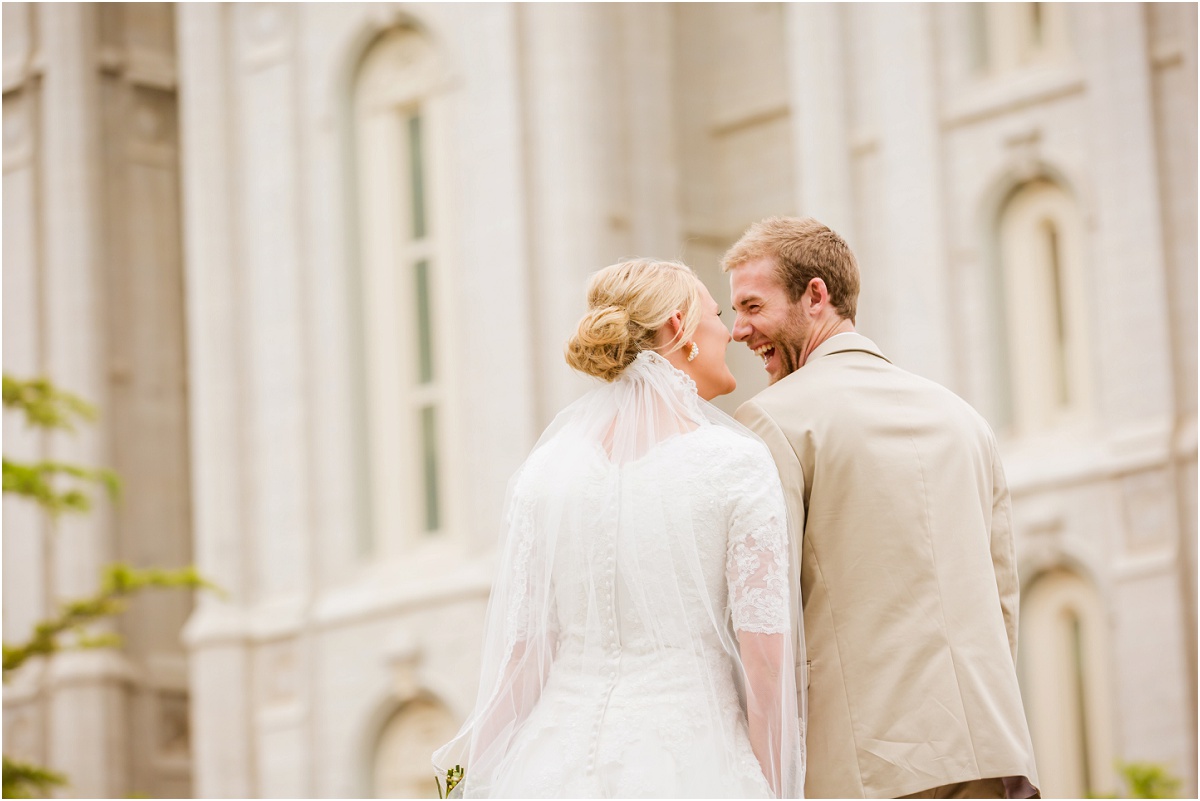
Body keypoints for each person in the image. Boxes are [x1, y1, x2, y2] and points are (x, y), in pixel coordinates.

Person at [433, 258, 806, 798]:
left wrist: (473, 778)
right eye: (717, 313)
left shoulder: (545, 475)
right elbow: (766, 665)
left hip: (550, 766)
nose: (729, 330)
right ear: (679, 328)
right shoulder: (735, 465)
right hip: (691, 764)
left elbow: (523, 662)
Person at [723, 217, 1040, 800]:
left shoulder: (773, 420)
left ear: (815, 295)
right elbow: (1002, 600)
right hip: (992, 756)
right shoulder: (963, 418)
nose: (738, 330)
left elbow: (771, 616)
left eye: (751, 305)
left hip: (865, 765)